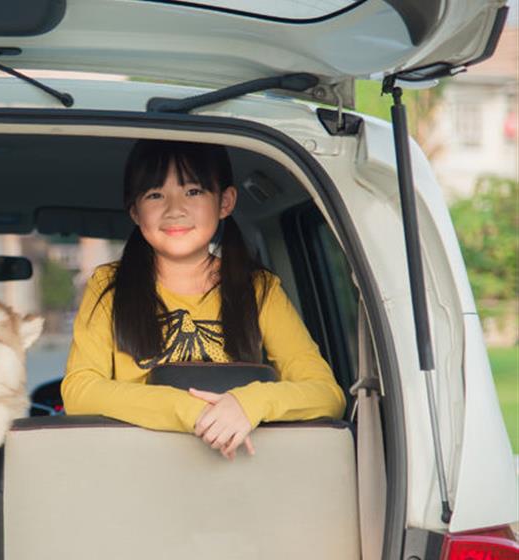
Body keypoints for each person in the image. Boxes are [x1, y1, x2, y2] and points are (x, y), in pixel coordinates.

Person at [61, 139, 345, 459]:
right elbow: (79, 392)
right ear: (136, 212)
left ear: (225, 202)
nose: (174, 210)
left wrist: (248, 404)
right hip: (138, 467)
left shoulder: (259, 289)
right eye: (155, 194)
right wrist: (191, 410)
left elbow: (327, 394)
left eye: (193, 191)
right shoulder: (108, 285)